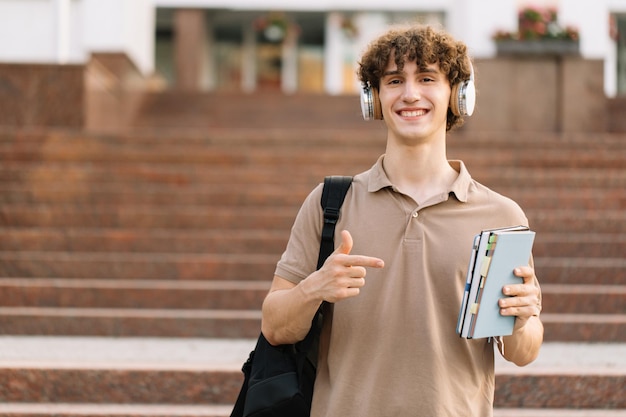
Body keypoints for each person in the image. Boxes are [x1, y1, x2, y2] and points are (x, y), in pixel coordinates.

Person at [261, 24, 543, 417]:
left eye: (427, 78)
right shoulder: (330, 204)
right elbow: (274, 327)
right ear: (373, 99)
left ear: (458, 95)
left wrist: (523, 318)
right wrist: (314, 289)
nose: (410, 94)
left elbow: (522, 352)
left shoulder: (500, 216)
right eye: (394, 80)